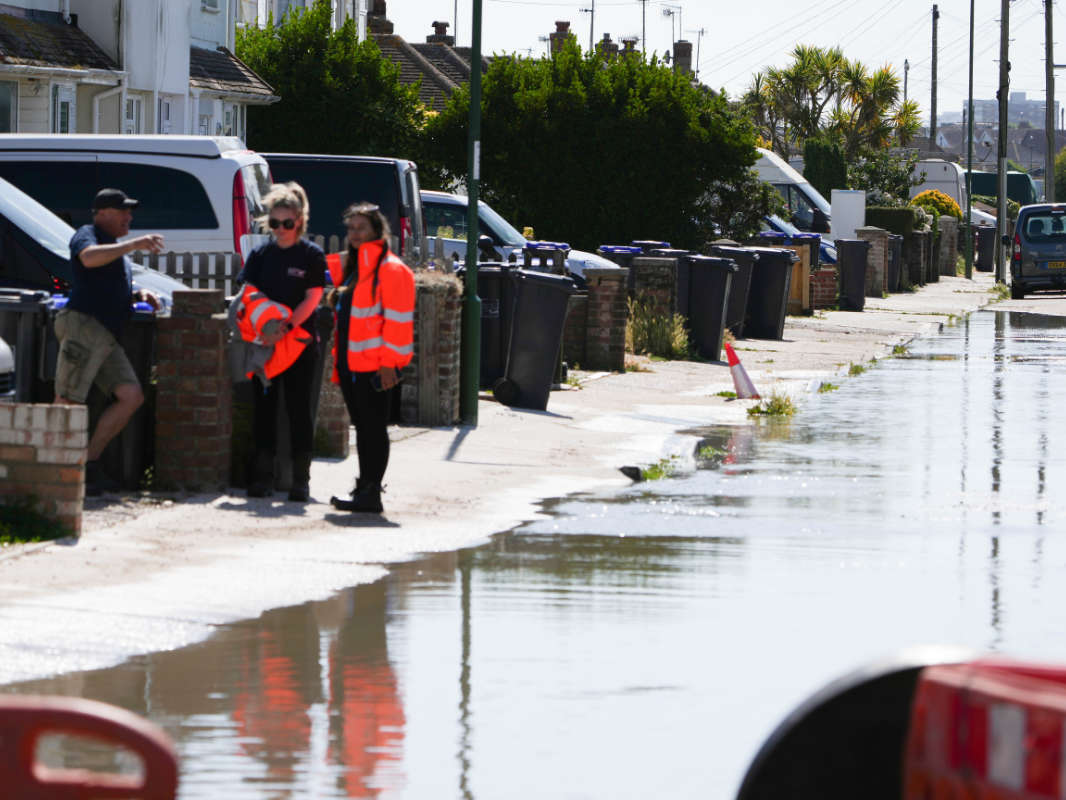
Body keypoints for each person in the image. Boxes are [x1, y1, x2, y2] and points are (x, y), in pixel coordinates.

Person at [55, 188, 164, 496]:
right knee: (67, 401)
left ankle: (87, 464)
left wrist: (138, 294)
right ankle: (53, 471)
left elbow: (106, 284)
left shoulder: (113, 245)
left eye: (129, 212)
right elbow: (88, 260)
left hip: (106, 335)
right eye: (122, 211)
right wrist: (136, 244)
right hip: (84, 327)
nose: (129, 217)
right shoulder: (87, 234)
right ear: (102, 213)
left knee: (131, 396)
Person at [237, 182, 325, 502]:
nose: (281, 229)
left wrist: (285, 325)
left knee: (299, 412)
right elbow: (248, 293)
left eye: (287, 223)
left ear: (299, 221)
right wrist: (267, 328)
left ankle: (301, 482)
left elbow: (313, 297)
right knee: (264, 411)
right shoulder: (261, 254)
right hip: (266, 346)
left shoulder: (311, 256)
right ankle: (261, 478)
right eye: (274, 223)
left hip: (299, 346)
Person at [327, 203, 415, 514]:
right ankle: (365, 489)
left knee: (373, 429)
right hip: (353, 365)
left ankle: (371, 492)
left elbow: (398, 322)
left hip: (376, 366)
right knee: (364, 429)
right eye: (351, 228)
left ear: (377, 230)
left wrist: (390, 364)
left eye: (361, 228)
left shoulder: (391, 270)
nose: (354, 234)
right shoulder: (357, 270)